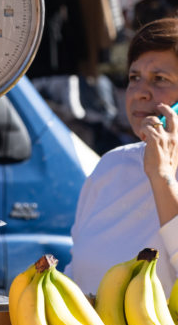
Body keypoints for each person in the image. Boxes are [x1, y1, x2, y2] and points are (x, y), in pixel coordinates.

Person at [64, 17, 178, 295]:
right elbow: (75, 268)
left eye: (159, 79)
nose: (139, 92)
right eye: (133, 78)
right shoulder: (111, 164)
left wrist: (162, 177)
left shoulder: (164, 177)